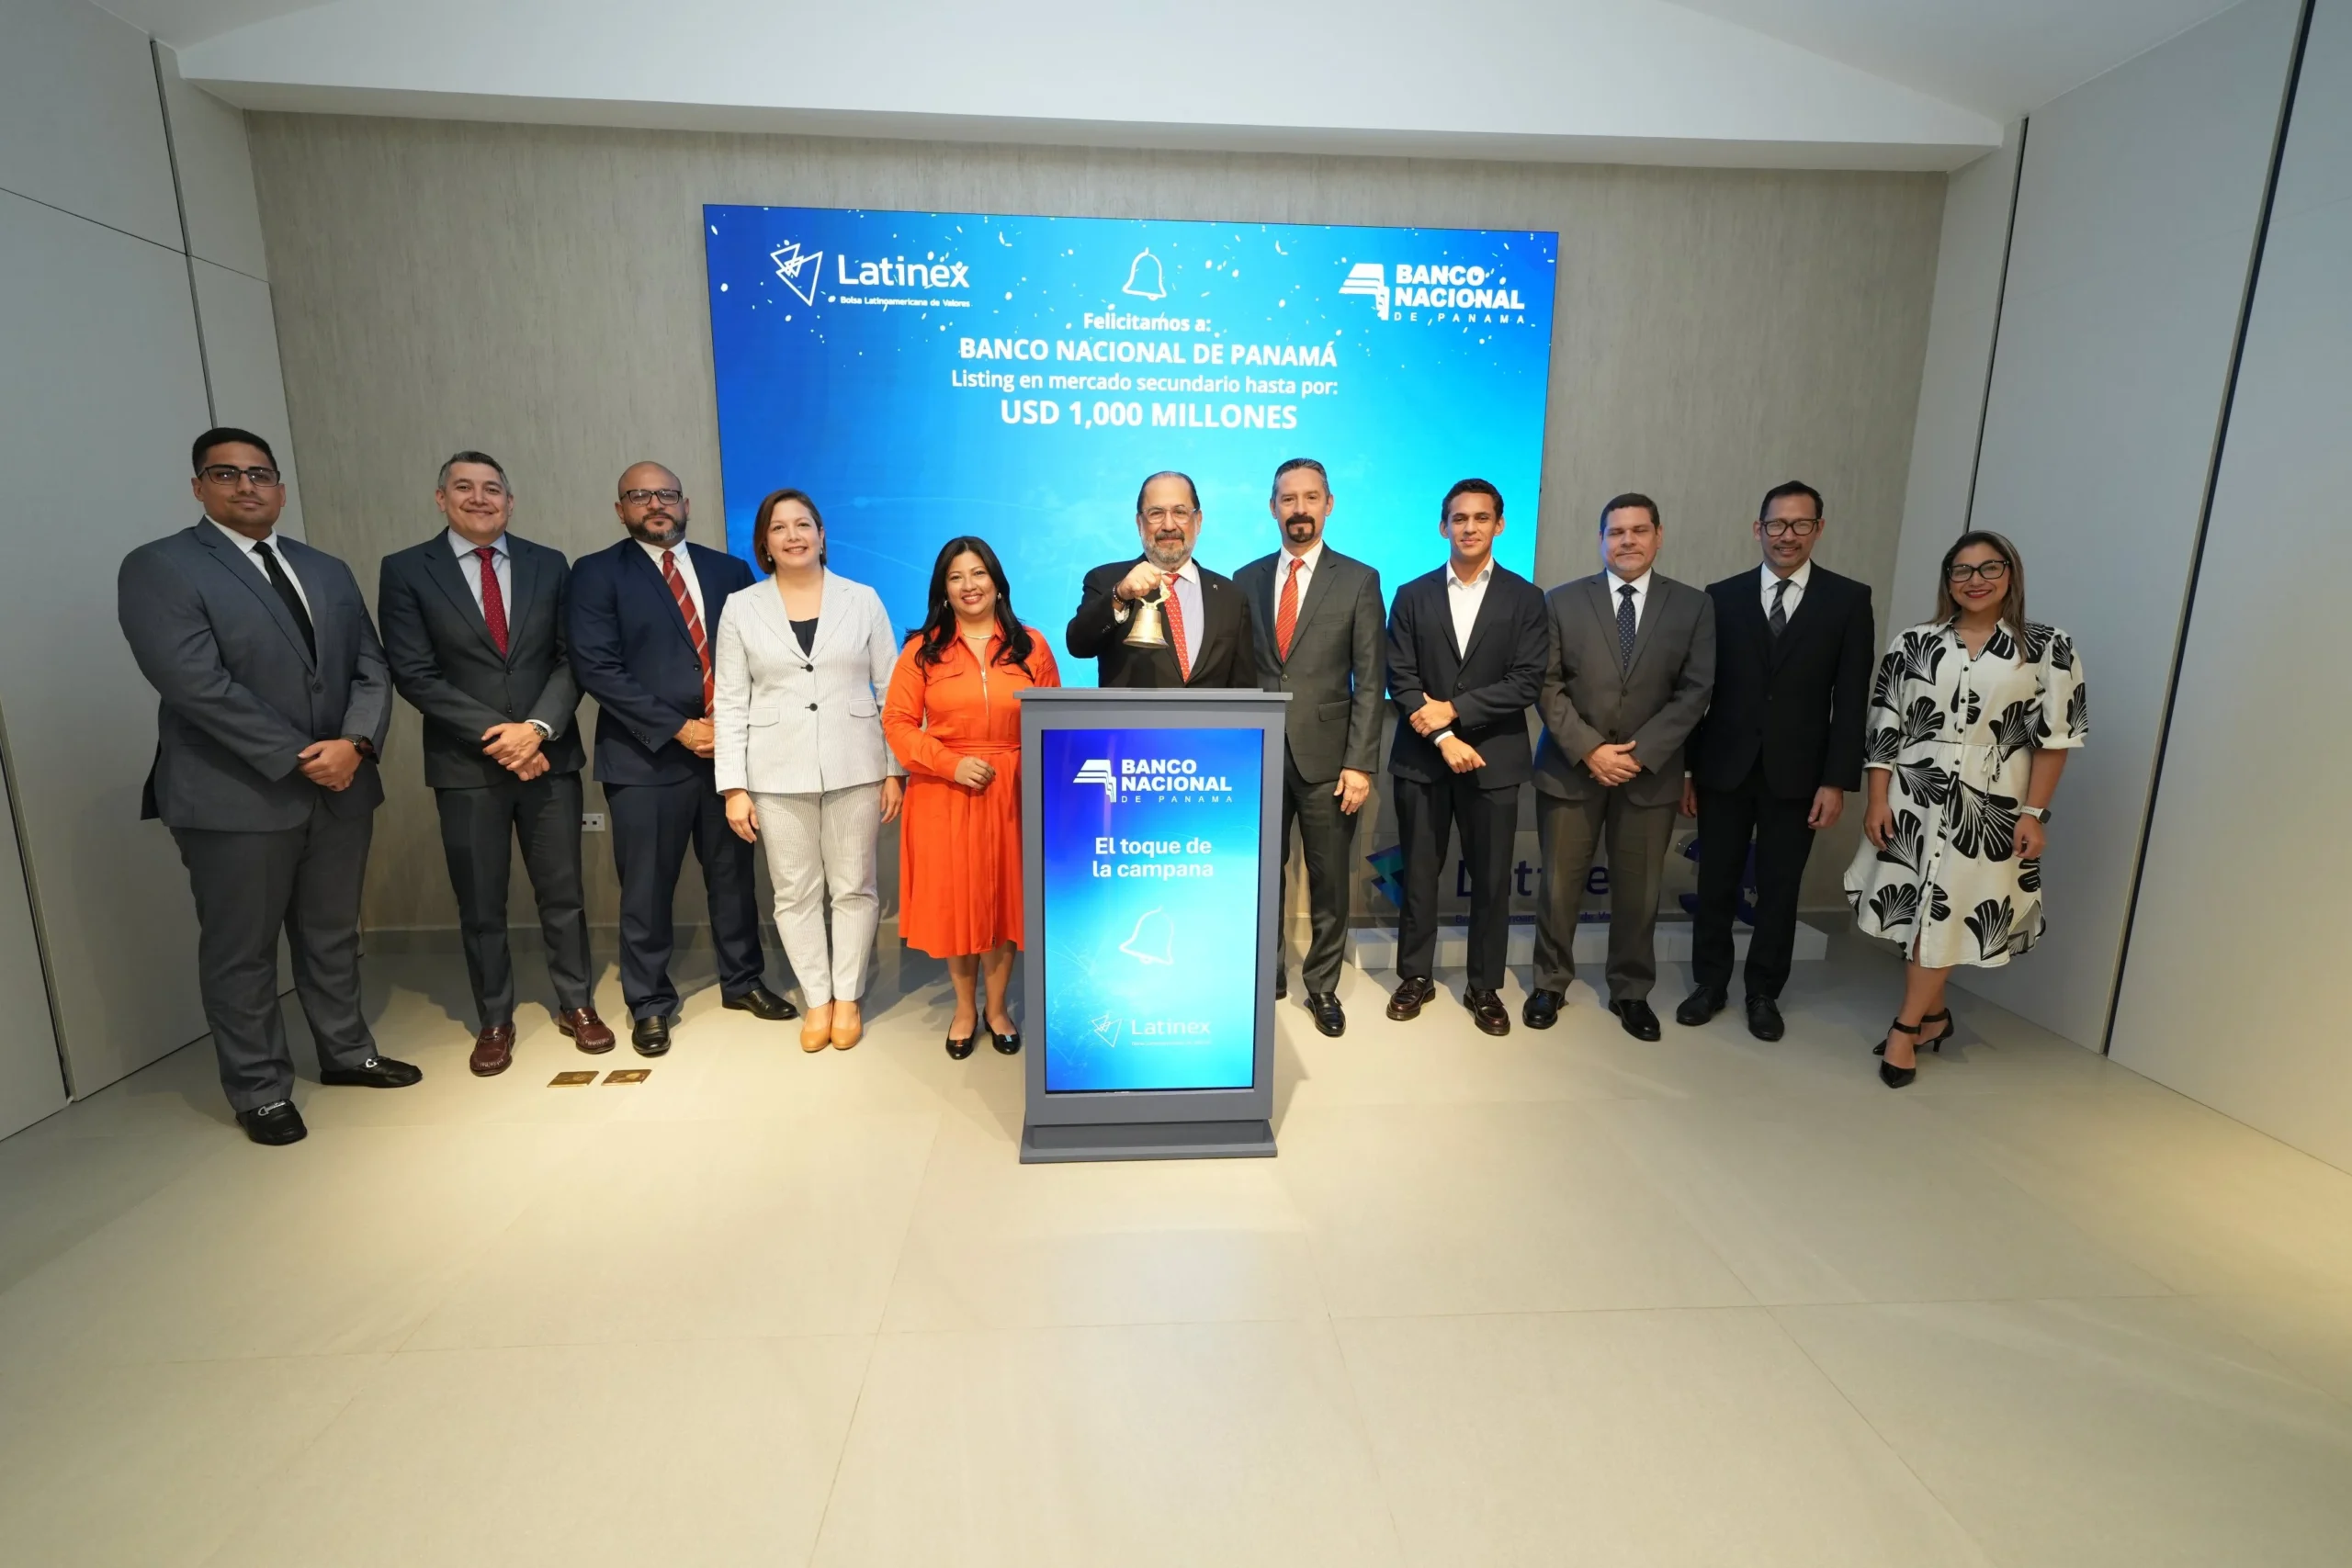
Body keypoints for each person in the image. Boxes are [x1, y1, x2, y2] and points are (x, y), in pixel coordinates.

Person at [117, 427, 417, 1145]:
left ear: (280, 488)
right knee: (242, 950)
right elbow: (194, 683)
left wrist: (356, 744)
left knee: (332, 935)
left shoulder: (324, 568)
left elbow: (371, 667)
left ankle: (346, 1052)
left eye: (260, 474)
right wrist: (301, 755)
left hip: (341, 786)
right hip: (234, 796)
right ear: (198, 486)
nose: (246, 485)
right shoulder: (161, 567)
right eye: (226, 474)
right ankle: (259, 1088)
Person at [379, 451, 613, 1076]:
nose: (478, 498)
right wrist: (500, 739)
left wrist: (535, 731)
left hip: (548, 757)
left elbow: (571, 658)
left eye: (491, 489)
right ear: (441, 499)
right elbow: (414, 672)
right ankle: (494, 1018)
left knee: (563, 894)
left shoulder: (549, 563)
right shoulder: (406, 570)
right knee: (481, 902)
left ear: (510, 501)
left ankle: (576, 1003)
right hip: (466, 767)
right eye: (464, 487)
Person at [568, 461, 794, 1056]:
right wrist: (681, 729)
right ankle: (648, 1002)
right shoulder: (595, 573)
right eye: (640, 496)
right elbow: (597, 668)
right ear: (620, 509)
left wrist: (734, 728)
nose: (655, 504)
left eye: (666, 494)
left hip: (728, 755)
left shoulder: (729, 571)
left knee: (734, 879)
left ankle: (743, 981)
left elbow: (758, 654)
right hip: (644, 760)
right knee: (646, 888)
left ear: (685, 504)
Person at [1847, 531, 2086, 1088]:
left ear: (2011, 573)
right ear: (1947, 580)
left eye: (1988, 568)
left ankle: (1905, 1028)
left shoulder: (2048, 646)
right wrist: (1877, 799)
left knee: (1949, 909)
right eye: (1962, 570)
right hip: (1916, 793)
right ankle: (1933, 1017)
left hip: (1992, 802)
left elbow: (2055, 739)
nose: (1975, 580)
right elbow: (1885, 723)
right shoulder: (1914, 641)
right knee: (1921, 910)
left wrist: (2034, 814)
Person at [1678, 481, 1875, 1041]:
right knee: (1715, 882)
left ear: (1818, 529)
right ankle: (1710, 983)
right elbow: (1698, 690)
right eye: (1776, 524)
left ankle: (1763, 992)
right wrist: (1688, 769)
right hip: (1723, 767)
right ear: (1758, 529)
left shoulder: (1847, 600)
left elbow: (1850, 698)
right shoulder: (1721, 596)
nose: (1787, 535)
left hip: (1800, 775)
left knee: (1780, 888)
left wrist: (1836, 781)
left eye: (1800, 524)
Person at [714, 490, 904, 1052]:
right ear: (764, 543)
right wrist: (733, 786)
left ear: (822, 535)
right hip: (775, 771)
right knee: (794, 892)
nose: (793, 535)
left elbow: (891, 688)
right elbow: (731, 700)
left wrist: (894, 770)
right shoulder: (741, 607)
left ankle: (848, 997)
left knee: (855, 887)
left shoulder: (862, 599)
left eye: (803, 524)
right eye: (779, 528)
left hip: (856, 763)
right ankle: (816, 999)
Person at [1525, 493, 1714, 1041]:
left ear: (1658, 536)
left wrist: (1638, 754)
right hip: (1571, 768)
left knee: (1640, 892)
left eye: (1638, 530)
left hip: (1648, 774)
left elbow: (1696, 690)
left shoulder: (1693, 606)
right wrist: (1590, 749)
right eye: (1616, 532)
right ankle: (1549, 984)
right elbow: (1546, 684)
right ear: (1601, 540)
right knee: (1559, 888)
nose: (1627, 541)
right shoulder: (1561, 601)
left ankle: (1631, 991)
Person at [884, 536, 1062, 1057]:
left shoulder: (1031, 645)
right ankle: (964, 1008)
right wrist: (951, 764)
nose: (969, 585)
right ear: (943, 589)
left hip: (1015, 793)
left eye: (978, 574)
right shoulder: (922, 650)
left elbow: (1054, 719)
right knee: (958, 905)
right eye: (956, 577)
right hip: (945, 792)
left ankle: (997, 1007)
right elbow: (896, 723)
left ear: (997, 582)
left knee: (1005, 903)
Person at [1383, 479, 1549, 1036]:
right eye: (1459, 518)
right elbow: (1401, 677)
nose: (1469, 527)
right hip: (1423, 760)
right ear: (1443, 526)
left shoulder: (1526, 598)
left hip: (1493, 761)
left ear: (1499, 525)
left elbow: (1526, 681)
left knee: (1493, 881)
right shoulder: (1412, 594)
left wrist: (1453, 711)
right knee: (1419, 876)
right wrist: (1442, 738)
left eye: (1481, 518)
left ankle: (1484, 987)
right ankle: (1415, 976)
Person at [1235, 457, 1384, 1036]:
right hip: (1259, 755)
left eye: (1311, 497)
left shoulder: (1360, 580)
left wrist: (1359, 763)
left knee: (1329, 880)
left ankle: (1322, 986)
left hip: (1330, 761)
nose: (1300, 509)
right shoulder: (1245, 579)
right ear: (1273, 507)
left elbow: (1370, 680)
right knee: (1261, 874)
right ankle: (1265, 974)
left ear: (1329, 504)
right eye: (1288, 498)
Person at [1066, 470, 1261, 687]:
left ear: (1198, 521)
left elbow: (1244, 689)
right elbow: (1079, 646)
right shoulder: (1107, 581)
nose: (1169, 526)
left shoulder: (1231, 596)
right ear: (1139, 523)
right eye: (1156, 513)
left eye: (1180, 512)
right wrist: (1119, 595)